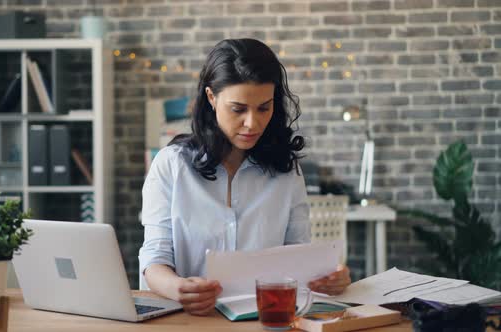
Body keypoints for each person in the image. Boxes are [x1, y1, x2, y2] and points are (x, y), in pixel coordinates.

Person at [139, 38, 351, 316]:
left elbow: (299, 258)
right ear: (211, 98)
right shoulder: (171, 165)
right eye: (238, 109)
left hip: (265, 319)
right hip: (189, 320)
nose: (253, 123)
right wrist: (176, 287)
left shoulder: (286, 172)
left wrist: (333, 277)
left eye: (264, 107)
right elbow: (154, 258)